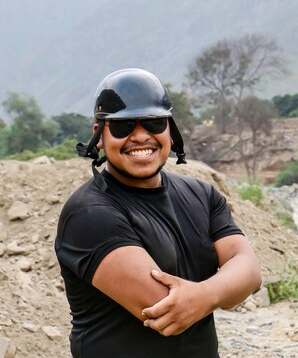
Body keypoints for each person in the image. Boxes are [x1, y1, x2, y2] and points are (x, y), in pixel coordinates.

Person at [55, 68, 262, 358]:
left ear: (170, 129)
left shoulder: (202, 195)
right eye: (123, 126)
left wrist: (203, 295)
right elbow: (167, 310)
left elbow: (250, 272)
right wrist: (222, 287)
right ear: (99, 135)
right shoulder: (89, 214)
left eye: (153, 122)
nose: (140, 136)